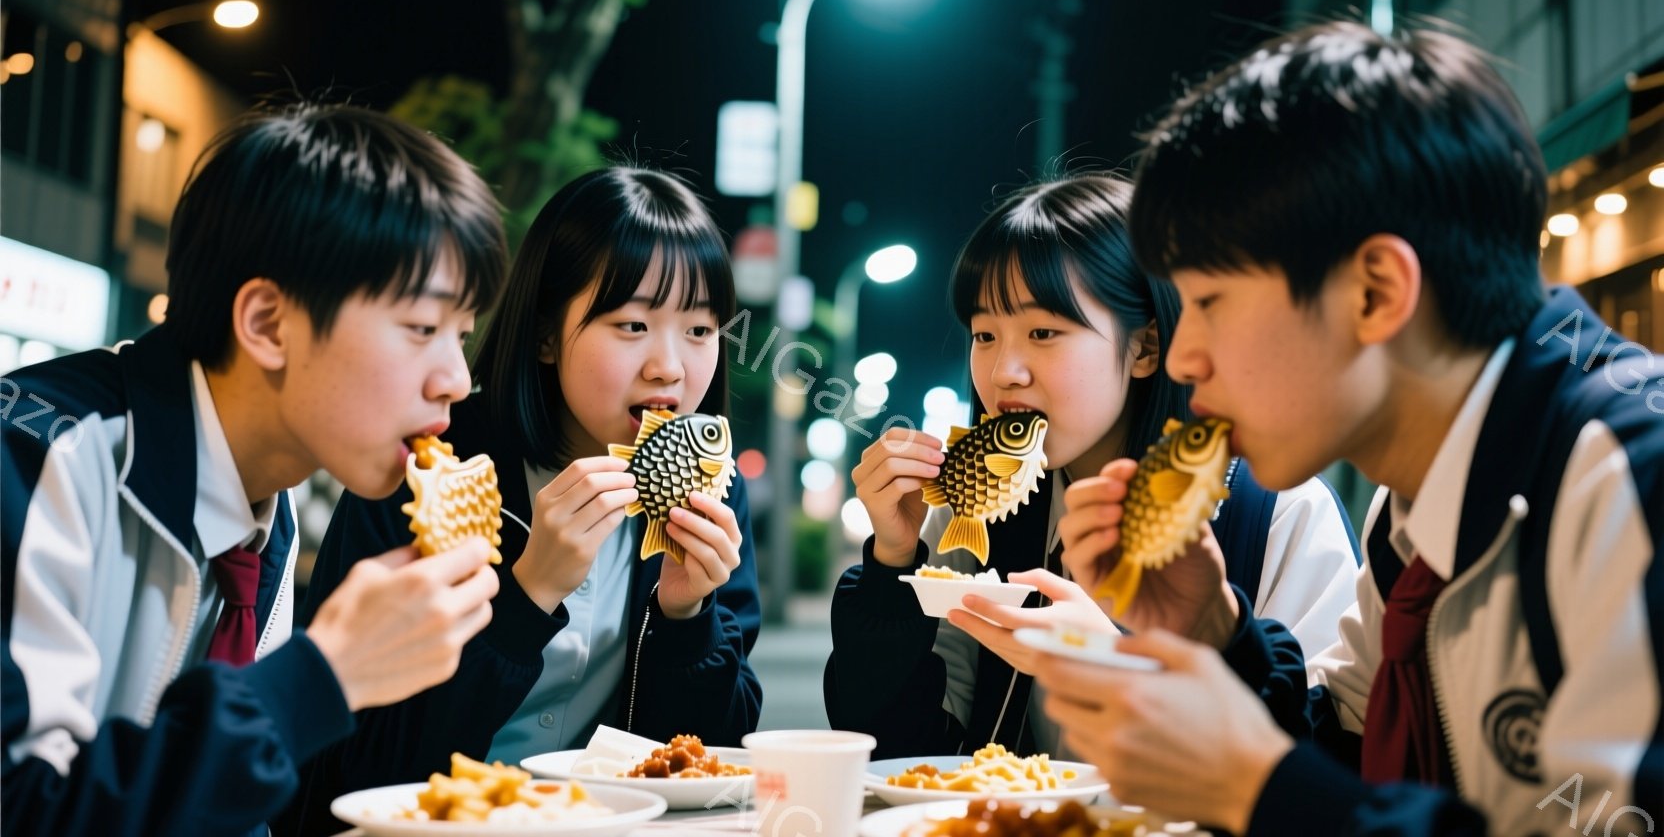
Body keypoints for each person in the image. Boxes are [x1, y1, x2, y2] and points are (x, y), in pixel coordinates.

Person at [1036, 21, 1664, 837]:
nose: (1184, 358)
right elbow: (1349, 758)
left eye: (1211, 303)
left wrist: (1257, 790)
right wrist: (1213, 631)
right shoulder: (1408, 508)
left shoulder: (1628, 479)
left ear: (1374, 293)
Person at [1, 103, 509, 835]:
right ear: (268, 323)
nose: (457, 379)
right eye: (423, 329)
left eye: (462, 335)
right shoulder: (33, 461)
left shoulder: (269, 497)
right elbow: (24, 812)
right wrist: (323, 676)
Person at [279, 166, 762, 834]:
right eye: (630, 325)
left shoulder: (712, 497)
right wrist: (528, 594)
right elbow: (358, 765)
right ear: (543, 334)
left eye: (701, 331)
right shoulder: (428, 471)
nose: (670, 367)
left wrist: (687, 618)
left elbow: (710, 773)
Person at [824, 173, 1360, 759]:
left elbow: (1317, 766)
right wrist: (892, 562)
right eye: (984, 334)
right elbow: (898, 751)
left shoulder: (1278, 512)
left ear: (1146, 348)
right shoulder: (976, 514)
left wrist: (1117, 661)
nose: (1005, 371)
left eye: (1043, 331)